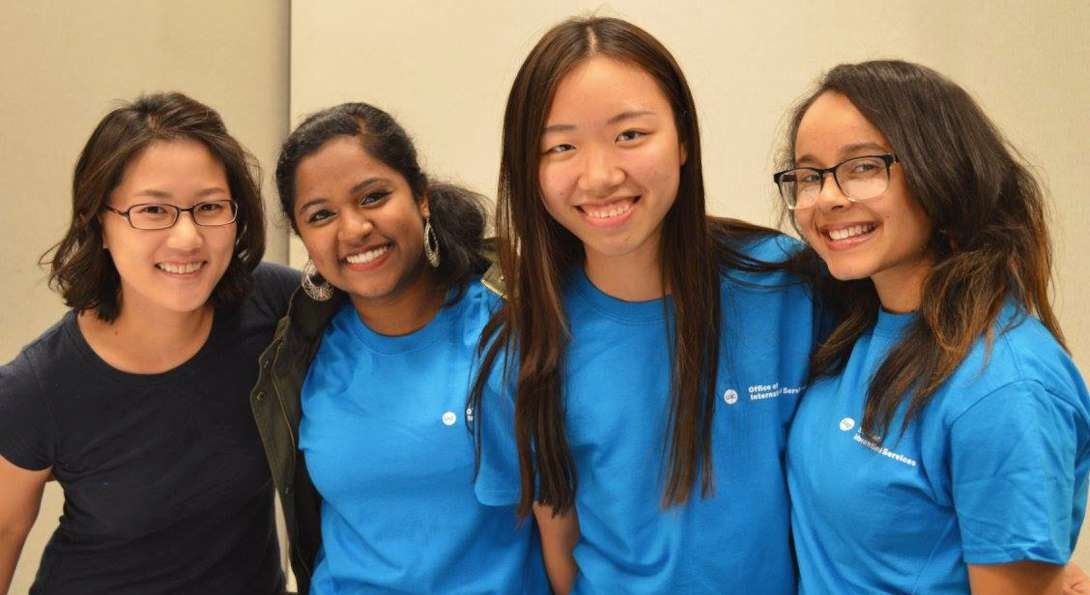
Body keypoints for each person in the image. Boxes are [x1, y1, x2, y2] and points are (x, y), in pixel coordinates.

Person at [471, 16, 823, 594]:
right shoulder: (526, 348)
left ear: (683, 139)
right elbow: (558, 544)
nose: (601, 175)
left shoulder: (784, 283)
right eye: (560, 146)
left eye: (630, 135)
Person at [778, 60, 1090, 594]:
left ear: (941, 173)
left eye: (863, 167)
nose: (827, 198)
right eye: (809, 176)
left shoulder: (1004, 386)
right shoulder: (853, 326)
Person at [0, 92, 295, 594]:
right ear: (101, 223)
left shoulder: (272, 305)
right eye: (153, 209)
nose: (187, 238)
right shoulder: (36, 387)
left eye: (209, 207)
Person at [250, 102, 547, 594]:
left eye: (373, 197)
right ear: (302, 236)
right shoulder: (301, 352)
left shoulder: (509, 324)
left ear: (421, 197)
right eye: (321, 215)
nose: (353, 229)